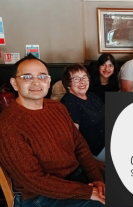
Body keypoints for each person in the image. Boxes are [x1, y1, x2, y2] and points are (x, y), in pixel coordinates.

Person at [0, 54, 105, 207]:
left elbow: (80, 146)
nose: (36, 82)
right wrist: (88, 192)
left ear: (49, 81)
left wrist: (96, 179)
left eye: (42, 76)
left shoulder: (57, 108)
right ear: (14, 83)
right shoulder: (8, 124)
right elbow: (33, 180)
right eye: (27, 77)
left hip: (76, 177)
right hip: (39, 195)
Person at [61, 64, 105, 162]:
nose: (82, 82)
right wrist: (89, 161)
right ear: (68, 83)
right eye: (76, 79)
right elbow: (73, 137)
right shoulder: (69, 101)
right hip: (96, 149)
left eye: (85, 77)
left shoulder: (92, 96)